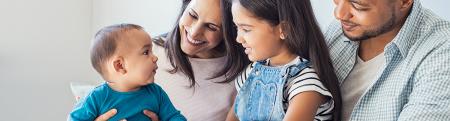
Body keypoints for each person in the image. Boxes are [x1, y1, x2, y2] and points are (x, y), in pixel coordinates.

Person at [94, 0, 250, 121]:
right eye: (193, 15)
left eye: (211, 26)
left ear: (229, 32)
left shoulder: (245, 73)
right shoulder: (145, 52)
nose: (194, 33)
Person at [326, 0, 450, 120]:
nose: (339, 14)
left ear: (404, 1)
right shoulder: (342, 28)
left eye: (358, 4)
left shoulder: (442, 53)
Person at [225, 0, 342, 120]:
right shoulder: (252, 72)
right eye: (237, 27)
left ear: (284, 29)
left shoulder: (305, 84)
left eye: (246, 29)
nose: (238, 39)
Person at [69, 24, 186, 121]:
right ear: (120, 65)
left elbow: (174, 117)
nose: (155, 57)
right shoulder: (96, 98)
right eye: (146, 52)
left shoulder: (156, 93)